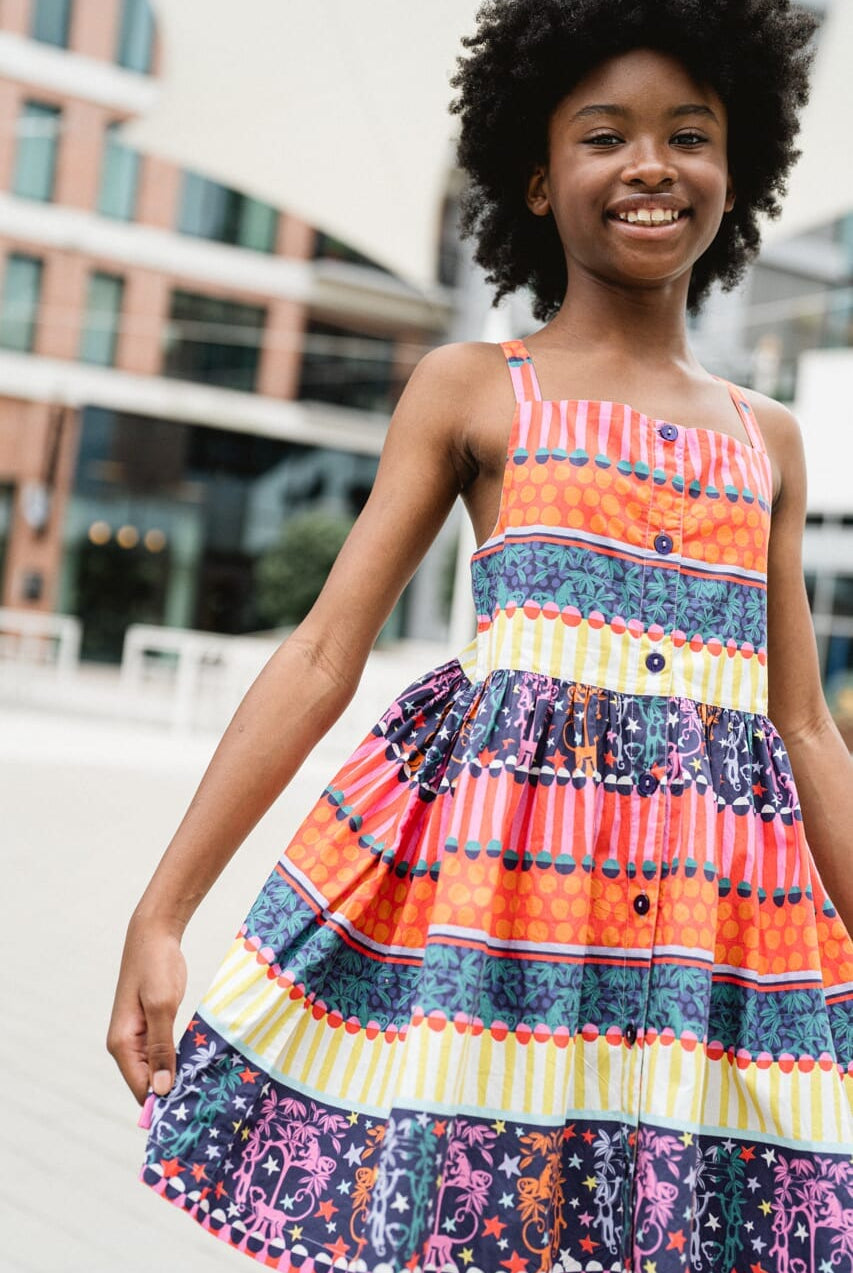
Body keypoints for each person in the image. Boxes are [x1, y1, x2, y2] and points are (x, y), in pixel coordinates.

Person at [108, 1, 853, 1270]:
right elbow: (320, 654)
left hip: (706, 936)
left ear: (742, 163)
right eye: (602, 135)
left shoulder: (763, 437)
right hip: (500, 914)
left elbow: (800, 724)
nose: (650, 165)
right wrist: (163, 911)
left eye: (690, 132)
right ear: (535, 171)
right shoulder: (472, 388)